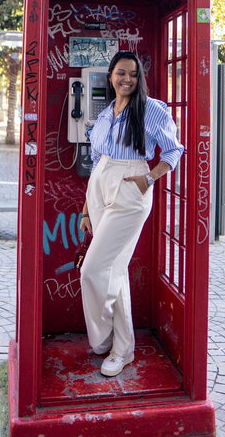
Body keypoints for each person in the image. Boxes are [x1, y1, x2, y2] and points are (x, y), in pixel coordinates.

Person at [79, 51, 184, 378]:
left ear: (140, 79)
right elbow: (96, 162)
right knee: (117, 270)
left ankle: (104, 333)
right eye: (121, 73)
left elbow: (173, 150)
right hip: (100, 186)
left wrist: (148, 178)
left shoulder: (152, 109)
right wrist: (85, 208)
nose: (127, 79)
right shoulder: (107, 112)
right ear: (110, 76)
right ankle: (121, 348)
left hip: (129, 187)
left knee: (93, 270)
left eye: (133, 75)